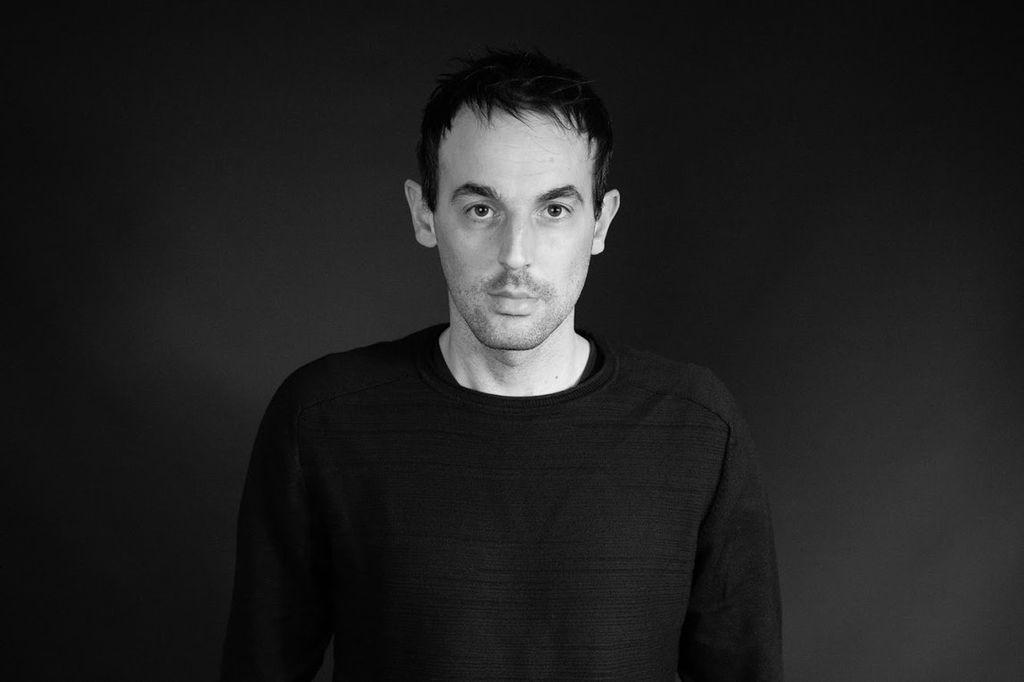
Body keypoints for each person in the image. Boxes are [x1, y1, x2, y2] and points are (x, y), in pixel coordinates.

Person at [220, 48, 782, 681]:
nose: (516, 254)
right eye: (481, 209)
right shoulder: (322, 420)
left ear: (601, 222)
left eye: (554, 210)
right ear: (424, 213)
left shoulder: (697, 428)